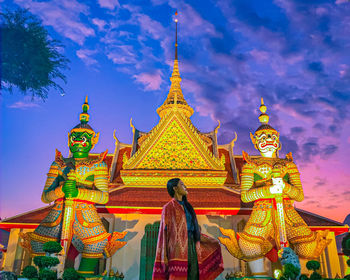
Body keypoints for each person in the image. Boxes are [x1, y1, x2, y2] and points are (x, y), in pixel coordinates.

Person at [219, 99, 330, 276]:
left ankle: (296, 275)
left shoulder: (288, 164)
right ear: (256, 143)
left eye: (271, 137)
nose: (267, 140)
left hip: (286, 211)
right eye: (262, 138)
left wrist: (284, 186)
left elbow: (299, 196)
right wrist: (268, 190)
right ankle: (261, 275)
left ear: (277, 141)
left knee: (307, 249)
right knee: (248, 249)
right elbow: (246, 196)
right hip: (262, 212)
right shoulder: (251, 166)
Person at [20, 97, 127, 277]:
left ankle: (84, 275)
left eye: (84, 138)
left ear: (93, 141)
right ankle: (44, 274)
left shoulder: (98, 165)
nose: (79, 141)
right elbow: (45, 197)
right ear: (69, 140)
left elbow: (103, 197)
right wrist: (61, 190)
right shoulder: (59, 164)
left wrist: (79, 192)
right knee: (39, 242)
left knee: (97, 242)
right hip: (59, 211)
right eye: (75, 137)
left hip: (85, 212)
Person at [153, 178, 223, 280]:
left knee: (194, 274)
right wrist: (164, 255)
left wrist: (211, 241)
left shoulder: (189, 207)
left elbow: (194, 230)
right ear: (175, 188)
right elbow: (163, 233)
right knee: (177, 276)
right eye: (182, 184)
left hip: (192, 245)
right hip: (176, 249)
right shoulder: (168, 207)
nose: (185, 187)